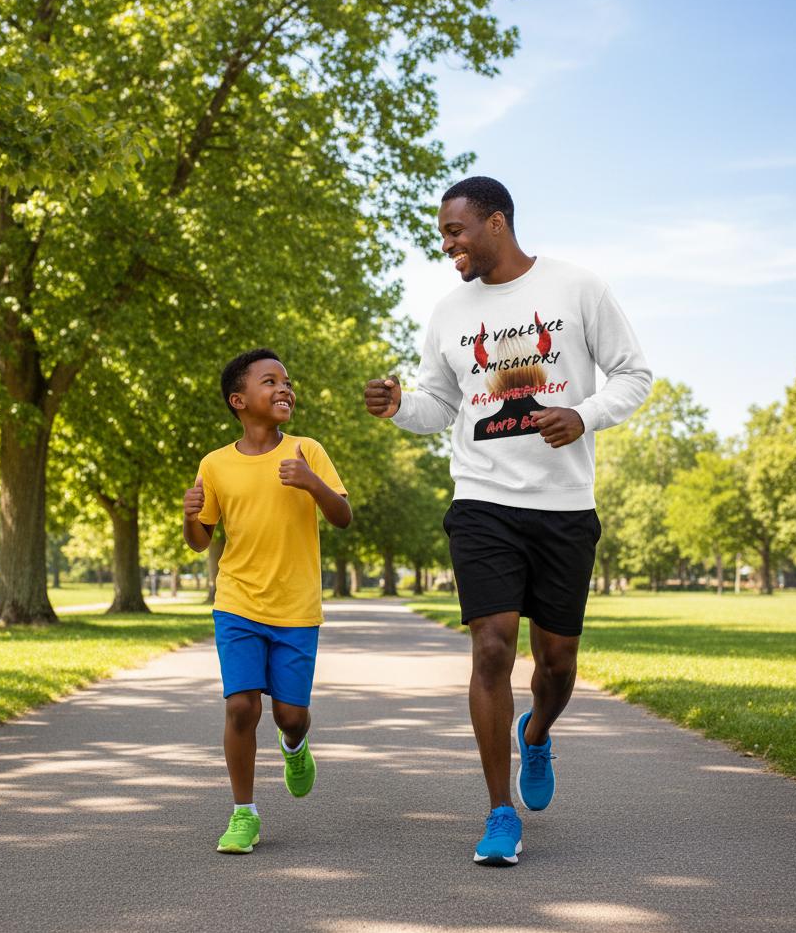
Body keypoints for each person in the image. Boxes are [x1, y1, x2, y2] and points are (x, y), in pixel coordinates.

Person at [364, 177, 651, 866]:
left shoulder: (577, 287)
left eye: (456, 232)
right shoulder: (448, 313)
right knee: (492, 648)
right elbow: (440, 406)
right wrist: (402, 405)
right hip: (483, 500)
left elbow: (633, 374)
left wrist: (583, 414)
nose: (448, 246)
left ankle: (538, 732)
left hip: (563, 507)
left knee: (556, 662)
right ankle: (498, 812)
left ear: (496, 223)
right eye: (442, 235)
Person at [184, 348, 351, 854]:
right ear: (239, 400)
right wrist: (190, 516)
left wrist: (312, 482)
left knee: (290, 715)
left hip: (296, 608)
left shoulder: (307, 451)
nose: (284, 388)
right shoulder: (214, 464)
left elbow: (342, 516)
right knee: (240, 707)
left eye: (287, 381)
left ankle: (295, 746)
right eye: (269, 381)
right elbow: (201, 540)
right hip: (236, 601)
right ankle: (244, 814)